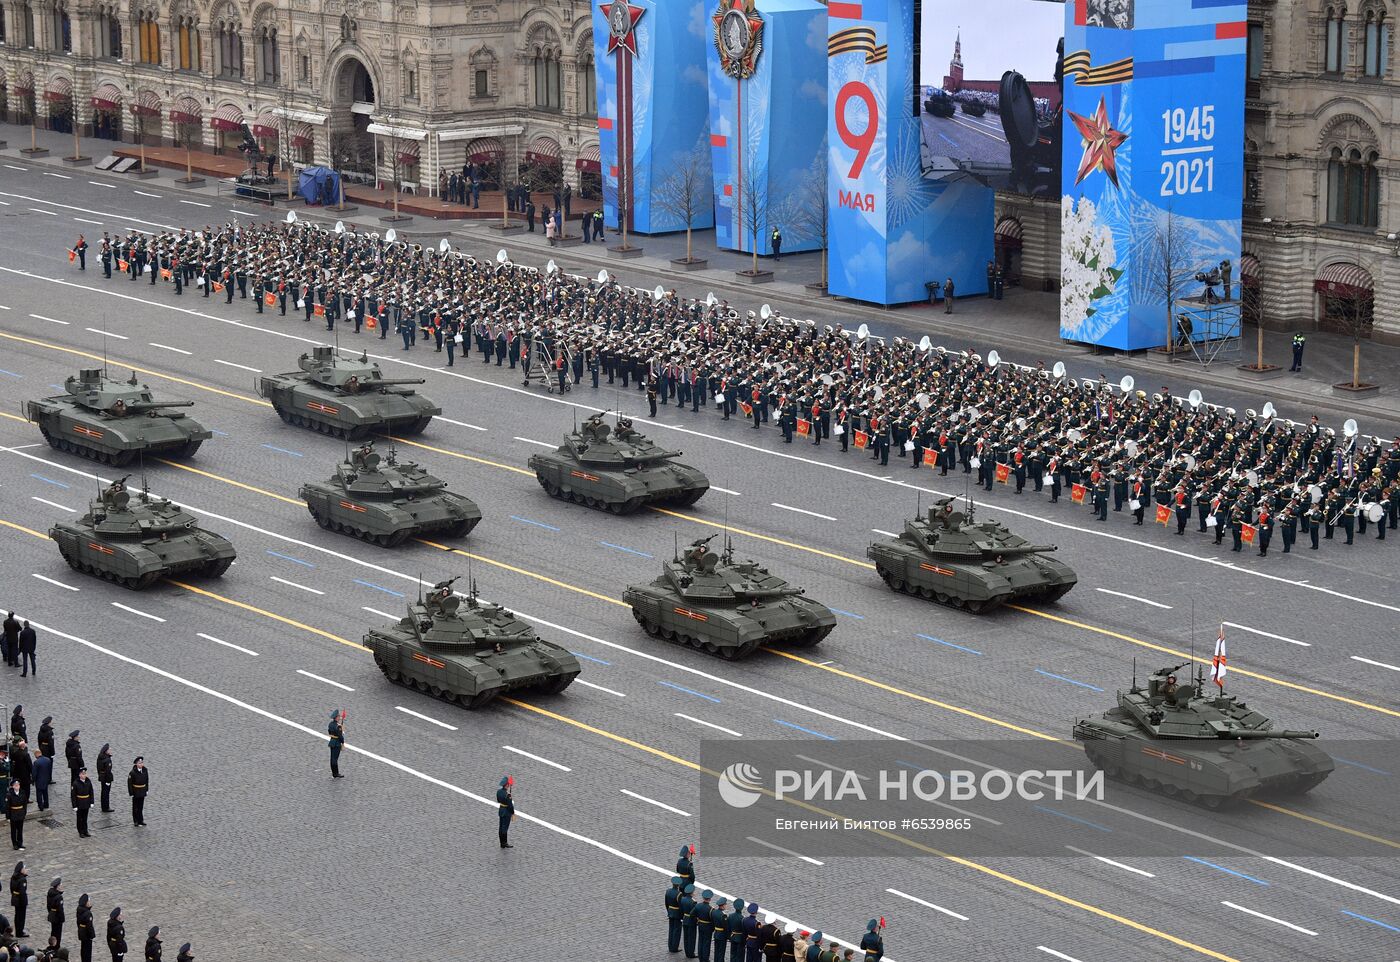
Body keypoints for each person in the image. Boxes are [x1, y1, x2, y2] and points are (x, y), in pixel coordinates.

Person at [71, 770, 94, 838]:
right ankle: (80, 831)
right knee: (79, 818)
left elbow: (91, 792)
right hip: (79, 802)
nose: (84, 775)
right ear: (80, 775)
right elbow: (73, 795)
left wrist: (92, 802)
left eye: (85, 774)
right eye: (83, 774)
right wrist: (74, 805)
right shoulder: (75, 783)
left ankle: (85, 831)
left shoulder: (88, 781)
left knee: (85, 818)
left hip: (86, 802)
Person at [665, 877, 684, 954]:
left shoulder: (668, 891)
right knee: (676, 931)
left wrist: (669, 911)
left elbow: (666, 903)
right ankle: (674, 947)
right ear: (678, 885)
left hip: (670, 912)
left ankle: (670, 946)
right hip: (677, 914)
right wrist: (682, 916)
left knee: (671, 929)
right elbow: (681, 906)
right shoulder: (679, 894)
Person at [127, 758, 148, 826]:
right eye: (139, 763)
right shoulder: (132, 772)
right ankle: (135, 820)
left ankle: (141, 820)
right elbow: (129, 784)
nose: (141, 764)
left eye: (142, 762)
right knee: (135, 807)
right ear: (136, 764)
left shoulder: (145, 770)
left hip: (142, 790)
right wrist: (131, 793)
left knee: (140, 807)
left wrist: (146, 789)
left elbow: (147, 780)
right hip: (136, 791)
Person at [10, 862, 28, 937]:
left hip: (15, 897)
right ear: (21, 870)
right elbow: (22, 892)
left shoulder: (13, 877)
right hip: (21, 900)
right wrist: (24, 902)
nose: (25, 870)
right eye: (24, 868)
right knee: (21, 916)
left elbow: (11, 888)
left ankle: (18, 930)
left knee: (17, 915)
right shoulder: (22, 879)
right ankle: (20, 932)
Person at [496, 775, 514, 847]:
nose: (509, 785)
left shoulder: (499, 792)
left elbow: (498, 800)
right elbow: (510, 805)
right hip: (506, 812)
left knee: (501, 826)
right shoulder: (507, 795)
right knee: (505, 827)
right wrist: (512, 812)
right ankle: (504, 843)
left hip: (501, 810)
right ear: (506, 785)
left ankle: (501, 843)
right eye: (508, 785)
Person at [75, 895, 94, 962]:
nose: (90, 903)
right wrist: (92, 935)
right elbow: (89, 926)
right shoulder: (88, 913)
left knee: (83, 948)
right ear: (86, 903)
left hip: (81, 931)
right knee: (87, 950)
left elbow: (78, 921)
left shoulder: (79, 909)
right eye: (89, 901)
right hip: (86, 933)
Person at [327, 710, 345, 779]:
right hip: (337, 743)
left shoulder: (330, 724)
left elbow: (329, 731)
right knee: (335, 759)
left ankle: (333, 773)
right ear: (336, 717)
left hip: (332, 742)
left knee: (332, 758)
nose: (339, 717)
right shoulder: (338, 726)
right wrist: (342, 742)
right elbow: (340, 736)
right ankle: (336, 773)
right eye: (338, 716)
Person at [95, 745, 113, 813]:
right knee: (106, 793)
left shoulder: (100, 757)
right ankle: (106, 807)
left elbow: (98, 767)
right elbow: (108, 771)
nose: (110, 751)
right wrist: (108, 781)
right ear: (106, 751)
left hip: (102, 776)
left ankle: (103, 807)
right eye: (109, 750)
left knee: (103, 792)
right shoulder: (108, 760)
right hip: (106, 777)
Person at [45, 878, 62, 949]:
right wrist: (61, 918)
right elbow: (60, 910)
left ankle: (52, 944)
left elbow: (48, 906)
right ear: (57, 886)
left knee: (53, 931)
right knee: (58, 933)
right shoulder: (58, 897)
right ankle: (56, 946)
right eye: (60, 885)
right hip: (58, 917)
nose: (61, 886)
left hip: (52, 914)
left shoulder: (50, 893)